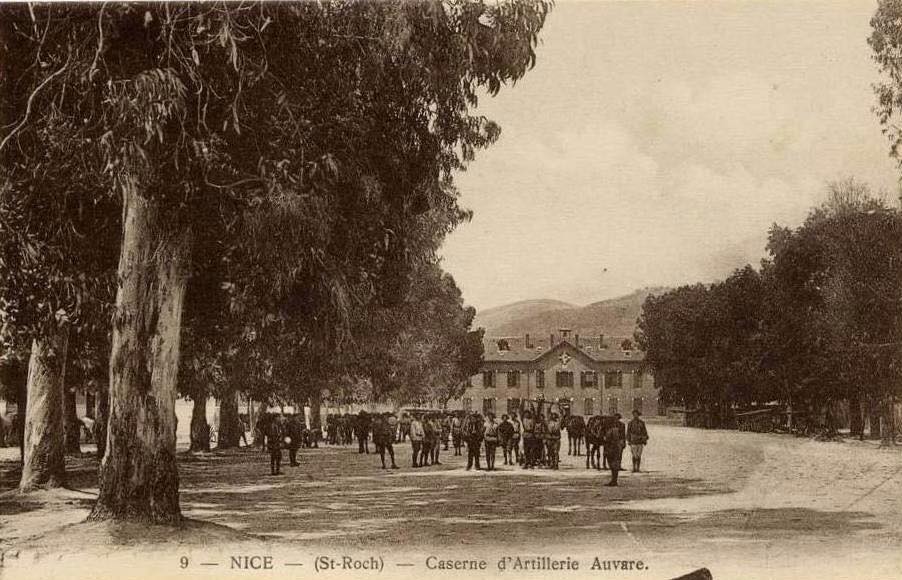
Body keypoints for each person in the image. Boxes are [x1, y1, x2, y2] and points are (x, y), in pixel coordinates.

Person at [603, 413, 626, 486]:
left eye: (617, 418)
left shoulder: (620, 426)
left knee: (614, 464)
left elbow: (622, 436)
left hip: (615, 447)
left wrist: (622, 443)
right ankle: (613, 480)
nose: (616, 419)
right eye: (614, 418)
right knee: (612, 464)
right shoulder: (609, 426)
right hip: (611, 447)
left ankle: (614, 480)